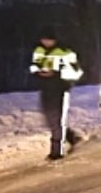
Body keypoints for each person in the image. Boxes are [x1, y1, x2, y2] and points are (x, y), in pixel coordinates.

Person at [29, 26, 84, 160]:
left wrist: (56, 73)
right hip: (45, 88)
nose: (46, 42)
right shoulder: (39, 50)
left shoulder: (65, 52)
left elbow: (77, 72)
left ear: (54, 39)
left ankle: (56, 151)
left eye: (49, 39)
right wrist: (38, 72)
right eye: (44, 39)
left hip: (60, 89)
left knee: (57, 119)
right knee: (49, 119)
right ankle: (71, 137)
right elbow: (33, 65)